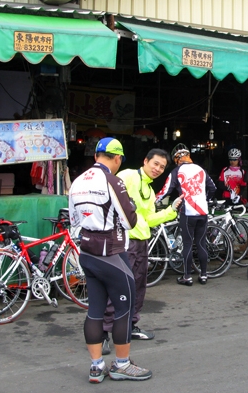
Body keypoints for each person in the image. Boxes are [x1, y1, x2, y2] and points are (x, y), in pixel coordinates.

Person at [68, 137, 152, 383]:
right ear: (117, 158)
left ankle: (96, 367)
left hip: (87, 253)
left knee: (94, 311)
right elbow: (129, 221)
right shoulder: (113, 181)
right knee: (123, 310)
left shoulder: (77, 181)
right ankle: (121, 365)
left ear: (96, 156)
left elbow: (74, 220)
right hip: (112, 253)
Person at [101, 149, 183, 354]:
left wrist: (171, 210)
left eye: (162, 167)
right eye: (155, 164)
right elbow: (110, 200)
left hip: (142, 242)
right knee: (119, 288)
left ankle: (131, 325)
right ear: (145, 161)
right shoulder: (127, 175)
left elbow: (148, 220)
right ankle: (103, 332)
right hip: (124, 242)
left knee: (138, 287)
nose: (158, 169)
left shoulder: (150, 190)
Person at [156, 143, 216, 286]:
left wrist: (153, 200)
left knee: (188, 244)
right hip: (203, 212)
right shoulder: (201, 169)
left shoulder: (177, 171)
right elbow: (212, 187)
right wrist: (205, 200)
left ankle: (187, 276)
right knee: (201, 243)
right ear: (188, 156)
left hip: (188, 212)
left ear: (177, 159)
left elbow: (165, 191)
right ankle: (203, 275)